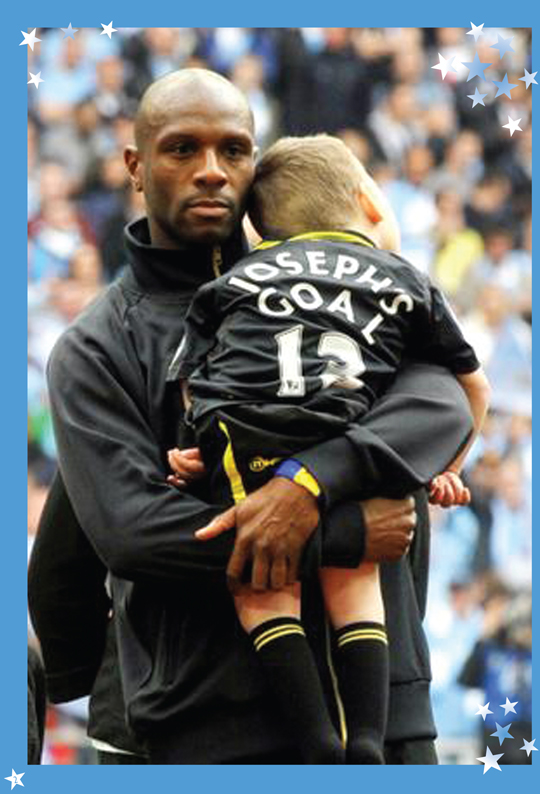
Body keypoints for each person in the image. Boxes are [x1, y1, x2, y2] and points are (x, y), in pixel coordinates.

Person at [29, 68, 473, 765]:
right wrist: (344, 529)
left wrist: (311, 481)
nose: (211, 172)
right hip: (214, 718)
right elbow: (132, 531)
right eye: (182, 150)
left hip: (385, 708)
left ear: (256, 163)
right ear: (135, 167)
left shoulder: (336, 279)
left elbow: (439, 398)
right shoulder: (96, 346)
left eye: (233, 151)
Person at [166, 134, 489, 763]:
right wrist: (447, 466)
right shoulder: (404, 278)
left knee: (260, 582)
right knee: (357, 572)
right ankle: (367, 738)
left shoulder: (234, 279)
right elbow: (471, 387)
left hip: (252, 435)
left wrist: (196, 447)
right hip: (346, 427)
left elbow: (193, 378)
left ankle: (316, 740)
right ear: (369, 199)